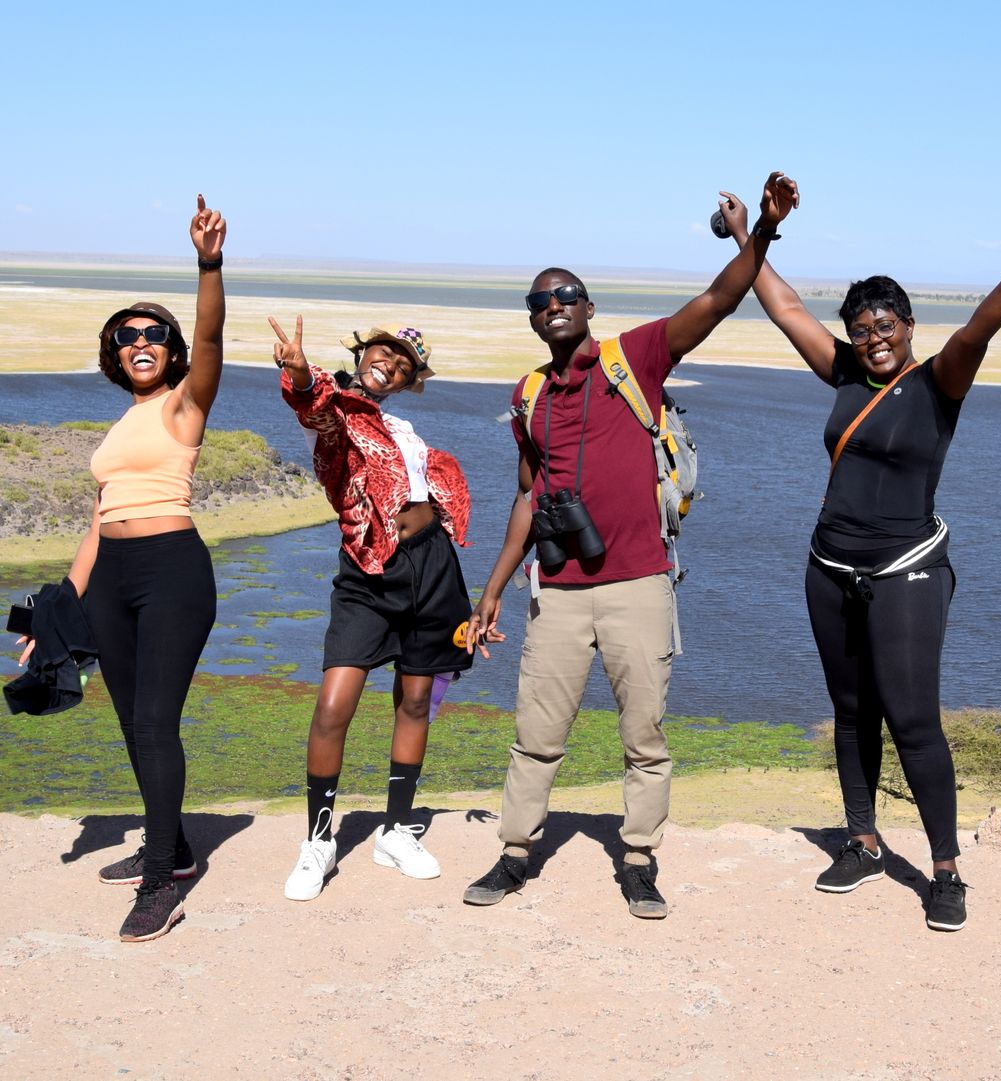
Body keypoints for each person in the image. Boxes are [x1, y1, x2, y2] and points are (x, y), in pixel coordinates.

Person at [716, 193, 1001, 931]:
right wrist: (754, 234)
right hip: (829, 566)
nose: (873, 337)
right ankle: (863, 841)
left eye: (885, 325)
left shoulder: (939, 381)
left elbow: (983, 325)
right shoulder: (844, 373)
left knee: (913, 719)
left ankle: (945, 870)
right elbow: (781, 306)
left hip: (906, 567)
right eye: (861, 327)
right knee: (852, 714)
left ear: (909, 327)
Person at [463, 172, 800, 919]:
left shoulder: (636, 359)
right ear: (532, 320)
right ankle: (516, 854)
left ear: (588, 308)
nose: (553, 307)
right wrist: (490, 591)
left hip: (637, 585)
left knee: (644, 733)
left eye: (565, 297)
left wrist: (763, 230)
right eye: (539, 302)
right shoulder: (528, 396)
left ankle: (640, 857)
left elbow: (717, 300)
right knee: (535, 732)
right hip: (556, 590)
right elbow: (528, 495)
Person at [23, 195, 226, 942]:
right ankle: (169, 846)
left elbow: (212, 334)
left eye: (152, 334)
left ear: (170, 350)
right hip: (111, 572)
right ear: (114, 355)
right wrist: (58, 613)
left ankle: (159, 886)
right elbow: (99, 519)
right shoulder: (120, 423)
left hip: (172, 569)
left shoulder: (184, 405)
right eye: (125, 337)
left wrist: (208, 262)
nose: (139, 342)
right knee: (129, 724)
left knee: (154, 720)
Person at [269, 315, 473, 900]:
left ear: (410, 381)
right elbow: (309, 404)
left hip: (433, 570)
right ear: (364, 354)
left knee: (415, 701)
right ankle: (318, 841)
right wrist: (298, 371)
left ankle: (396, 830)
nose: (392, 364)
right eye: (385, 353)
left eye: (405, 365)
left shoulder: (401, 426)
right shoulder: (334, 411)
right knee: (334, 705)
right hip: (367, 572)